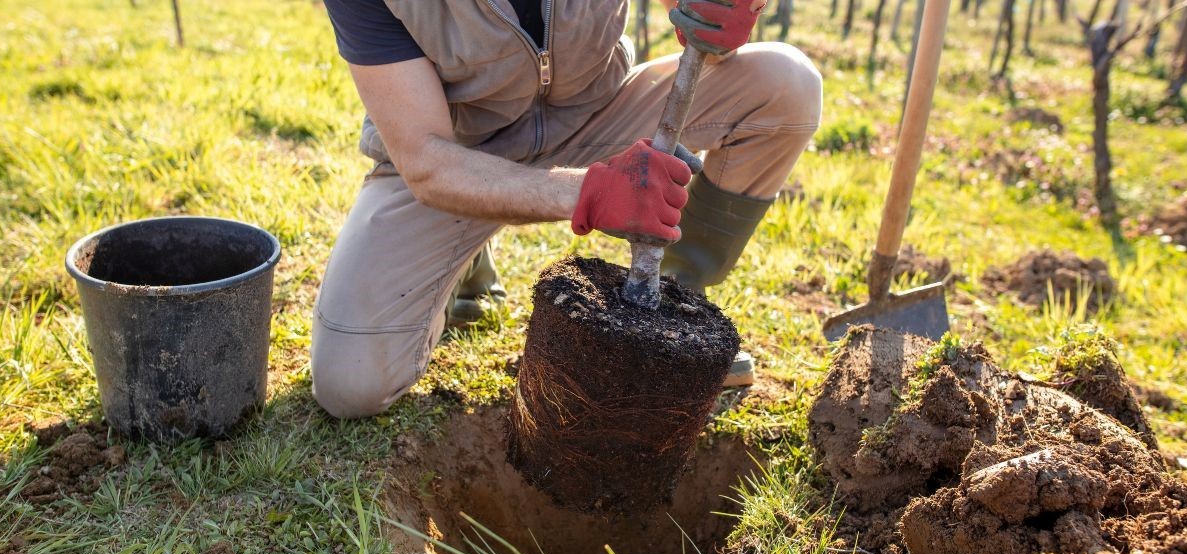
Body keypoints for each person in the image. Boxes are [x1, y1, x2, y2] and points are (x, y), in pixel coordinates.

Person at [312, 0, 822, 418]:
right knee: (351, 383)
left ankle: (670, 319)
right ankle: (461, 255)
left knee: (787, 84)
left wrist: (712, 9)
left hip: (597, 112)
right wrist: (590, 193)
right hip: (458, 155)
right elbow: (425, 160)